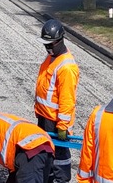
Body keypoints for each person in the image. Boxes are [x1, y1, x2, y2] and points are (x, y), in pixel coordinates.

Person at [34, 19, 80, 183]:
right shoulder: (52, 57)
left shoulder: (66, 67)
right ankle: (49, 177)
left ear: (60, 40)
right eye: (45, 44)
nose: (47, 48)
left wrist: (62, 126)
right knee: (46, 151)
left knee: (59, 154)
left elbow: (67, 100)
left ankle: (61, 179)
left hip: (55, 121)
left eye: (50, 44)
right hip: (45, 117)